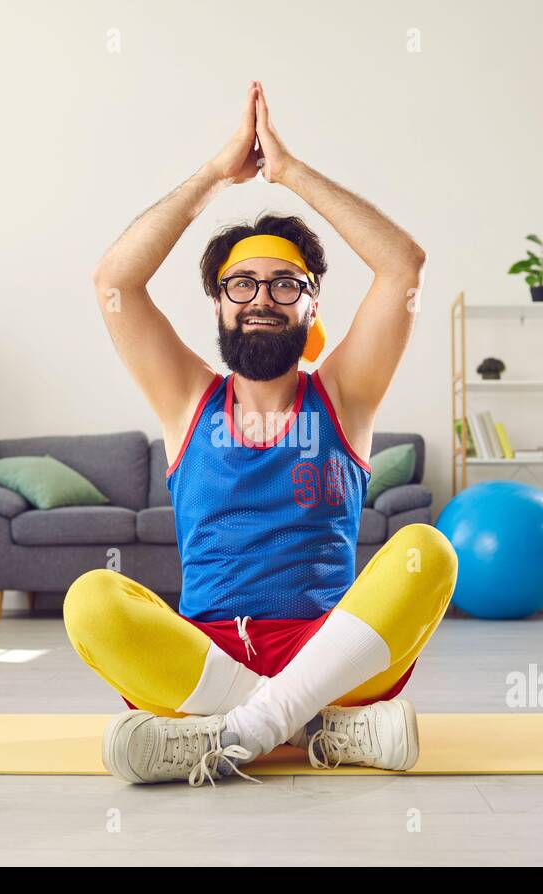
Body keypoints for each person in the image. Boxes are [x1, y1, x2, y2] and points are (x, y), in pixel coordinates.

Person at [71, 80, 457, 786]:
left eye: (287, 284)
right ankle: (315, 732)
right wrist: (218, 175)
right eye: (241, 285)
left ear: (313, 306)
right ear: (218, 303)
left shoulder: (344, 397)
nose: (262, 300)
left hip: (332, 658)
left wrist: (291, 172)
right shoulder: (188, 398)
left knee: (425, 552)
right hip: (201, 664)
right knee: (91, 601)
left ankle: (234, 734)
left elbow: (403, 265)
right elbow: (113, 281)